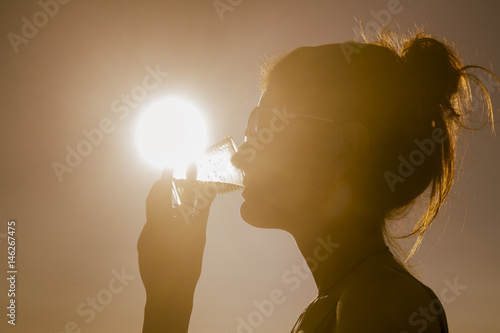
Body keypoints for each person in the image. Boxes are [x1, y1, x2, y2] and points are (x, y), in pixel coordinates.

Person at [137, 29, 497, 332]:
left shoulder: (378, 302)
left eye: (266, 126)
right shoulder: (343, 299)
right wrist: (170, 292)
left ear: (343, 149)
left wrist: (170, 303)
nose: (238, 155)